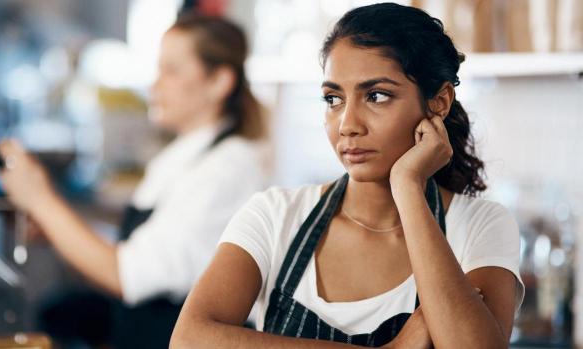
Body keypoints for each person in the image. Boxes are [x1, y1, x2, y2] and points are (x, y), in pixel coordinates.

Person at [171, 3, 524, 348]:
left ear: (439, 102)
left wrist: (408, 187)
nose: (348, 125)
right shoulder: (275, 215)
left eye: (376, 95)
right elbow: (189, 340)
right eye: (333, 99)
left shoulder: (480, 226)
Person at [0, 14, 269, 349]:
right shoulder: (185, 155)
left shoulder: (228, 169)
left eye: (171, 70)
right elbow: (141, 252)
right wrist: (57, 232)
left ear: (219, 82)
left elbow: (127, 276)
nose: (154, 85)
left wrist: (41, 199)